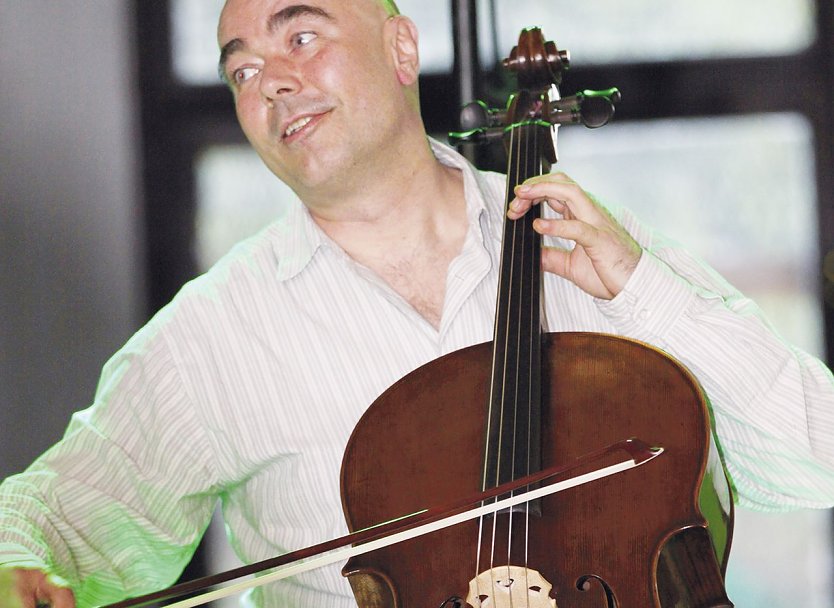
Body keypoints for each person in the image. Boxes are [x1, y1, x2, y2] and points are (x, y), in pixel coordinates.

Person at [2, 0, 834, 606]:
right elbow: (52, 516)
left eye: (302, 36)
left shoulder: (587, 248)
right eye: (244, 70)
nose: (275, 83)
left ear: (401, 50)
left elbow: (815, 457)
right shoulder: (212, 336)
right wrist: (17, 570)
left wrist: (643, 288)